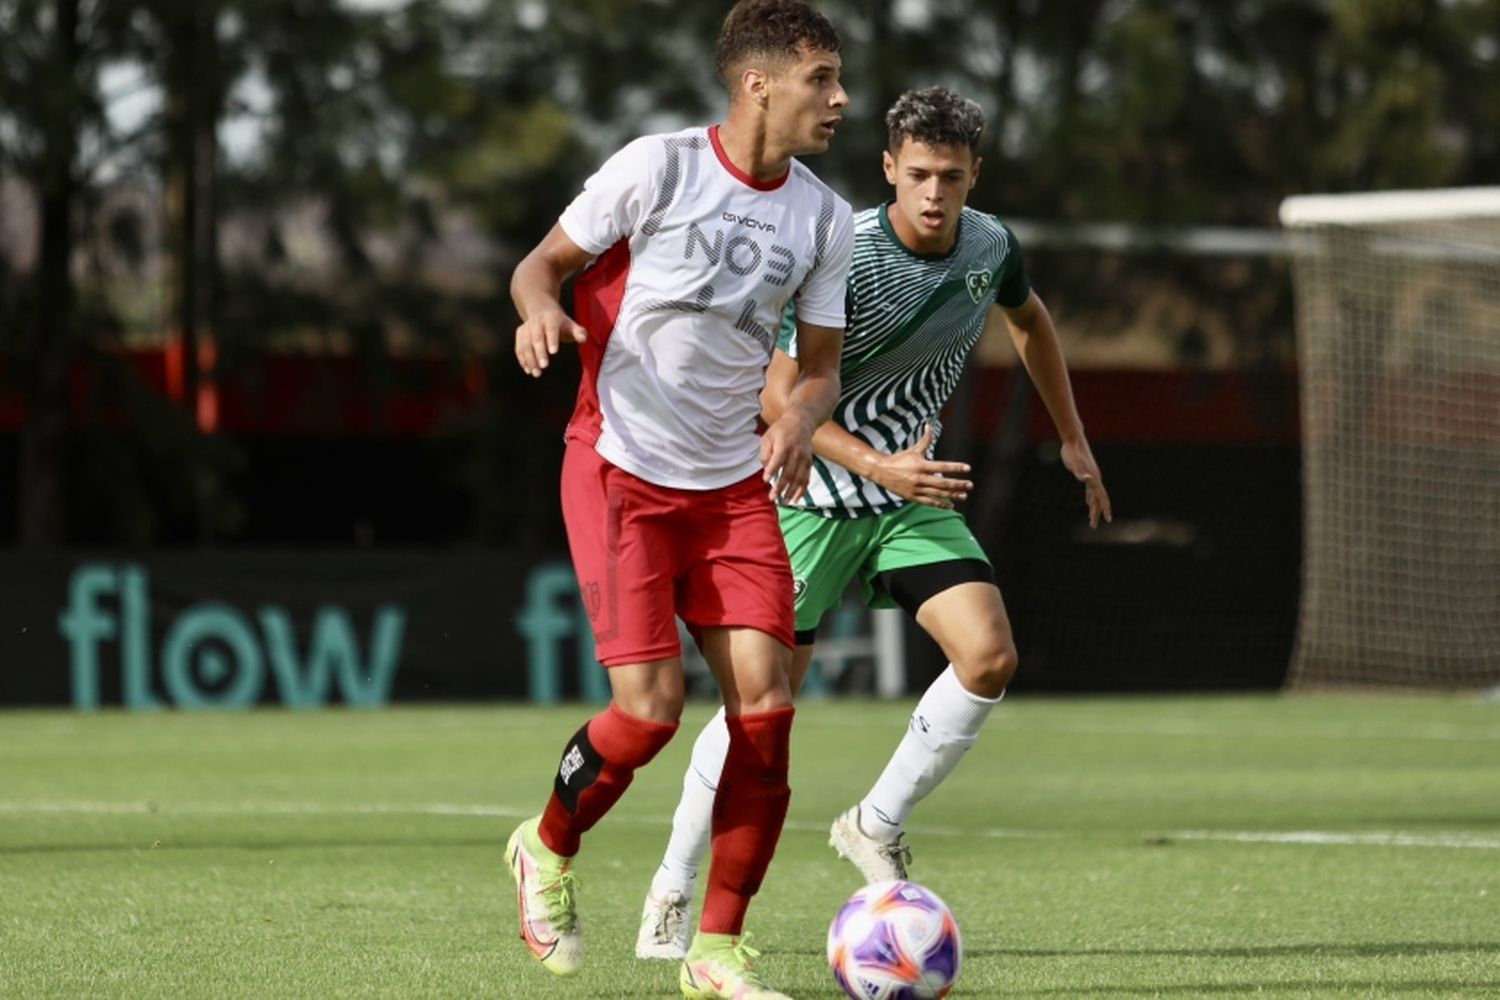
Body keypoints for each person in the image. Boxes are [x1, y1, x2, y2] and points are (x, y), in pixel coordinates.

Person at [636, 85, 1113, 961]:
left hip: (907, 500)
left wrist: (1074, 437)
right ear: (889, 167)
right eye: (920, 174)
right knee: (759, 713)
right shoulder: (836, 251)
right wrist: (876, 462)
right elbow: (779, 398)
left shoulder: (991, 245)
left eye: (954, 178)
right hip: (808, 498)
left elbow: (1032, 320)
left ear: (976, 178)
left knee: (990, 654)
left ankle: (875, 820)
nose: (936, 193)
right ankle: (671, 884)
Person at [506, 1, 853, 997]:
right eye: (821, 78)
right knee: (650, 713)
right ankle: (547, 842)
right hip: (619, 468)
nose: (839, 99)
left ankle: (716, 951)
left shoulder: (824, 217)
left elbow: (820, 367)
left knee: (769, 709)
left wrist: (796, 419)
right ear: (758, 83)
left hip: (733, 487)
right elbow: (541, 266)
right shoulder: (655, 167)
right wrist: (540, 313)